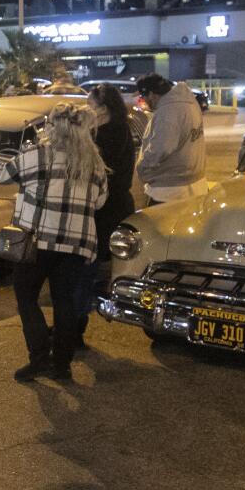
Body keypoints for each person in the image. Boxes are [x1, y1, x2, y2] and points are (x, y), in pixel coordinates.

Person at [0, 102, 109, 383]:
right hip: (76, 245)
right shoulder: (95, 163)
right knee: (64, 301)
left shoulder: (36, 155)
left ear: (54, 128)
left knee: (26, 296)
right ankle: (62, 366)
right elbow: (100, 201)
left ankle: (40, 356)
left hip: (37, 242)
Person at [72, 83, 138, 352]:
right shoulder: (122, 130)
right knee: (91, 271)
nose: (89, 111)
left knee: (85, 271)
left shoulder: (104, 136)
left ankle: (75, 330)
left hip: (103, 210)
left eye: (91, 107)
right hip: (117, 206)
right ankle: (75, 326)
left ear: (103, 109)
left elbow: (96, 175)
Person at [134, 73, 208, 205]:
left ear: (151, 94)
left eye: (143, 96)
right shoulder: (189, 103)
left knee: (159, 225)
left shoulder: (168, 111)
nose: (143, 101)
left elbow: (160, 148)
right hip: (195, 185)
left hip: (170, 190)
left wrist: (142, 167)